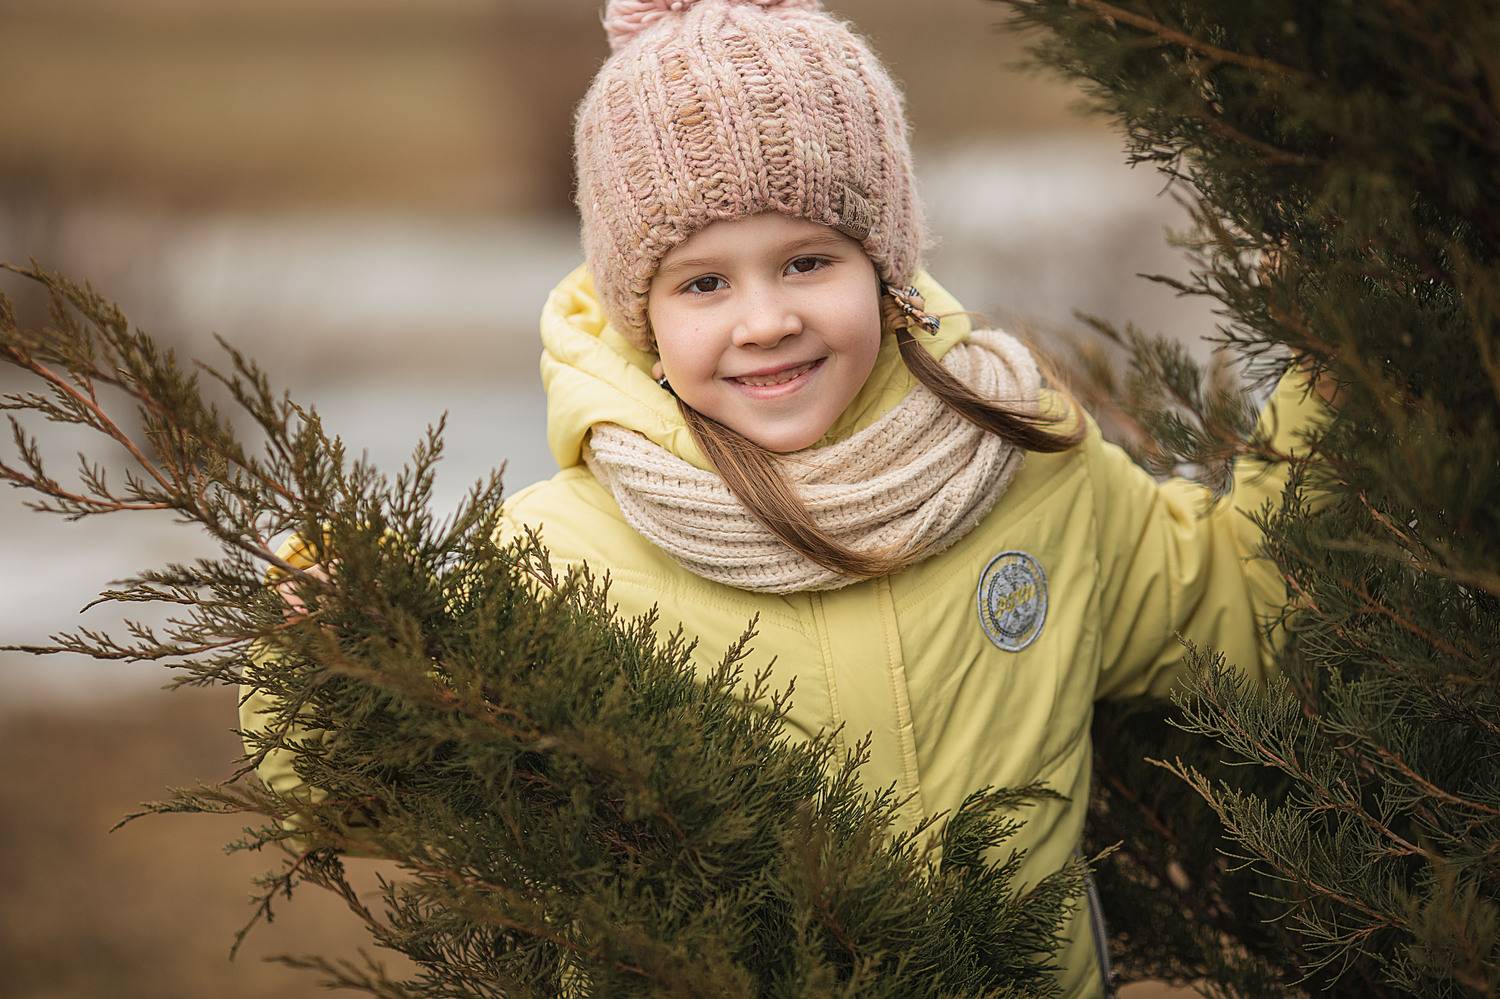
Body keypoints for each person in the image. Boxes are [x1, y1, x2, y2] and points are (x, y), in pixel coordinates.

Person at [240, 1, 1334, 994]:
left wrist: (1340, 378)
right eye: (704, 282)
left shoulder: (1029, 470)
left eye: (808, 261)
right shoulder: (559, 554)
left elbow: (1239, 610)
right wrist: (324, 649)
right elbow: (372, 791)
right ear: (643, 317)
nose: (763, 320)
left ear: (887, 270)